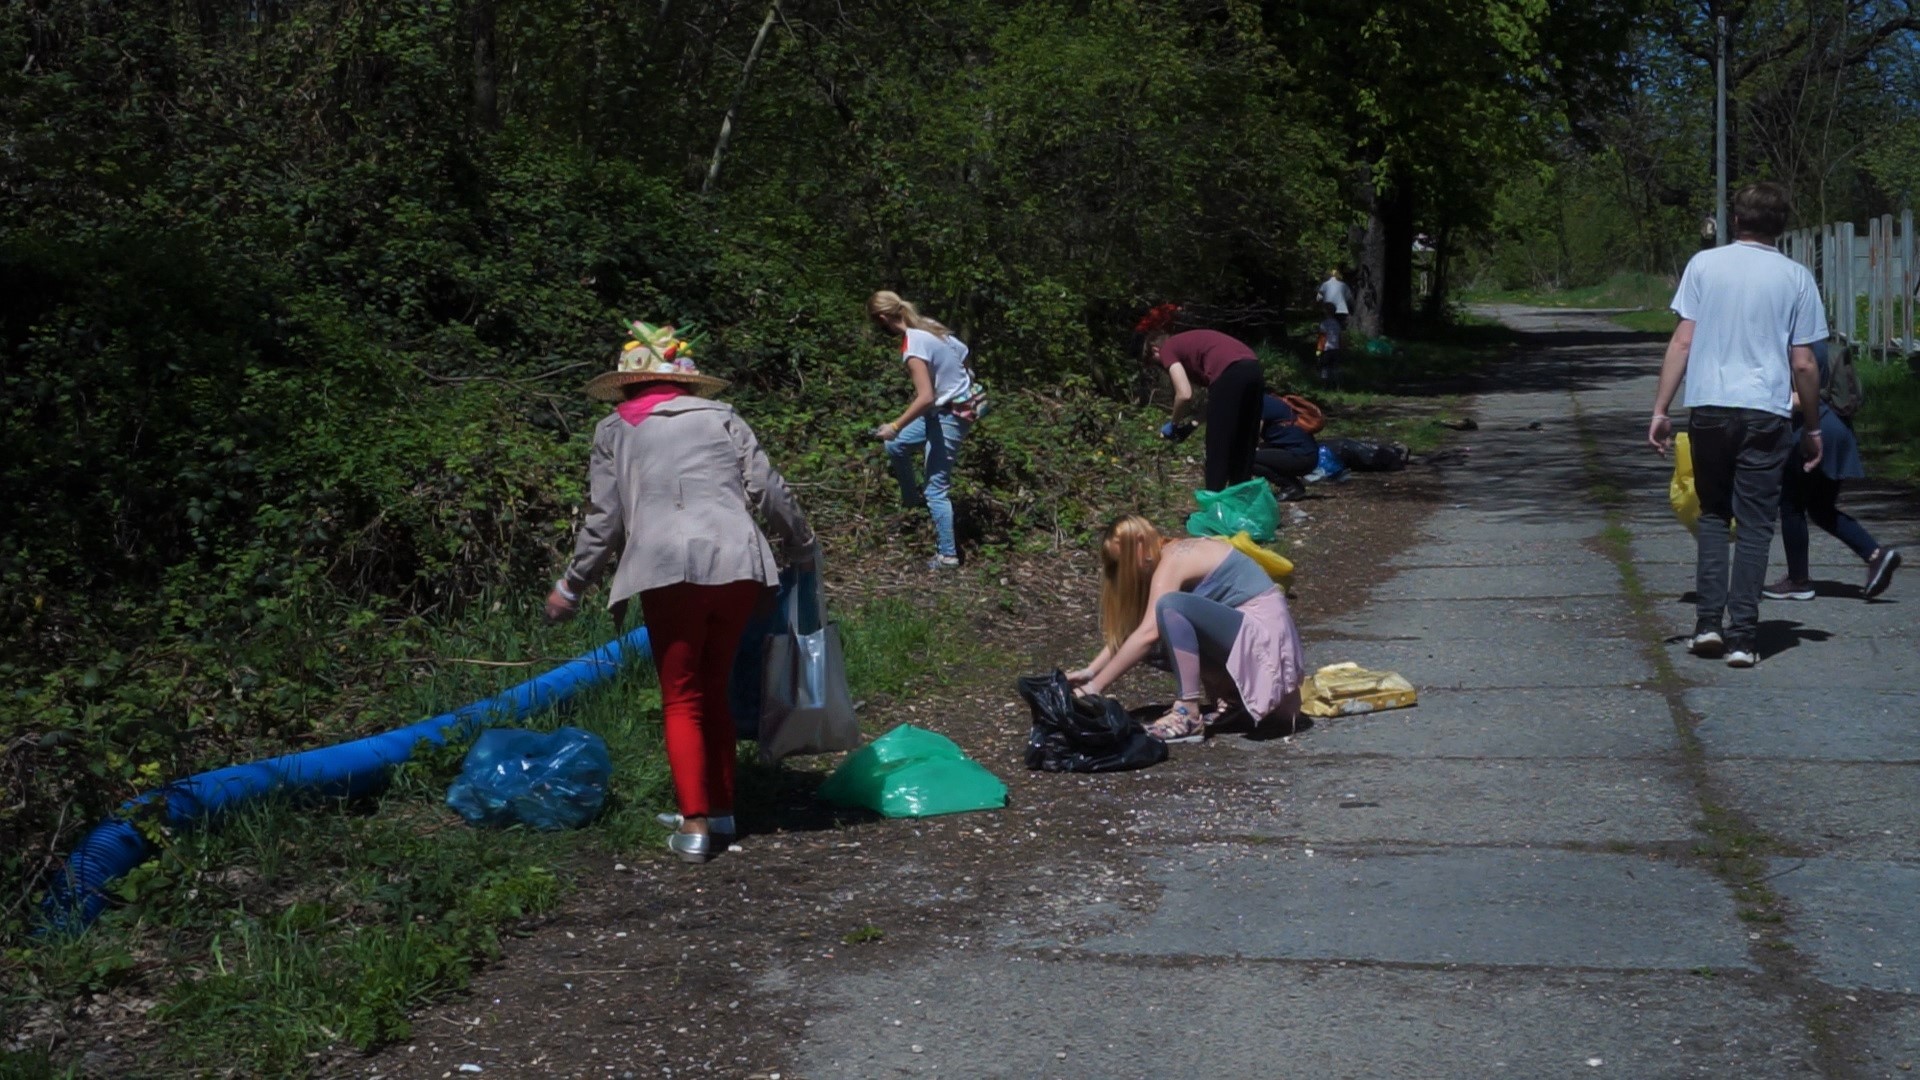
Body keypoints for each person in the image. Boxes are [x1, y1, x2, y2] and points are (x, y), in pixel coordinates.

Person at [547, 322, 815, 863]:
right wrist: (802, 544)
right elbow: (768, 487)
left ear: (628, 384)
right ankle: (720, 811)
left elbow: (606, 521)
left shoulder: (615, 430)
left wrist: (572, 585)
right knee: (713, 687)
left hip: (666, 568)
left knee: (682, 695)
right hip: (737, 562)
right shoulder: (724, 418)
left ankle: (693, 826)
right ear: (687, 384)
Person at [1649, 182, 1826, 668]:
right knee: (1754, 525)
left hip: (1708, 407)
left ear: (1736, 221)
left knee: (1712, 514)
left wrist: (1662, 410)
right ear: (1781, 225)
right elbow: (1805, 363)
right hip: (1766, 413)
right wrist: (1812, 427)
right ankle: (1744, 637)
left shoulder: (1704, 265)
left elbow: (1683, 342)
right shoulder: (1796, 277)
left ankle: (1708, 625)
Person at [1065, 515, 1304, 743]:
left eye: (1125, 562)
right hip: (1256, 653)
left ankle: (1187, 712)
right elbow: (1134, 631)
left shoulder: (1174, 559)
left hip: (1264, 654)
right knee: (1153, 638)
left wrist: (1094, 689)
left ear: (1140, 543)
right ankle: (1237, 700)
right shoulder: (1169, 557)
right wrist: (1091, 671)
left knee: (1171, 608)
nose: (1128, 572)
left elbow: (1148, 633)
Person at [1763, 340, 1901, 601]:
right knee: (1821, 508)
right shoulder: (1819, 343)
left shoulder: (1792, 347)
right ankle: (1876, 555)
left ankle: (1798, 580)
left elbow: (1801, 397)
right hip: (1839, 430)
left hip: (1815, 432)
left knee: (1791, 504)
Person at [866, 290, 985, 571]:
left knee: (936, 489)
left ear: (883, 318)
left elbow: (925, 397)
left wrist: (894, 425)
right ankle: (912, 502)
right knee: (896, 446)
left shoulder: (914, 345)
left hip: (951, 416)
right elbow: (964, 353)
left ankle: (948, 556)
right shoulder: (927, 326)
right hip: (939, 412)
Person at [1137, 309, 1265, 492]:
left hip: (1231, 373)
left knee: (1217, 448)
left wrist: (1173, 424)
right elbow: (1218, 401)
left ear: (1155, 349)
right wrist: (1192, 425)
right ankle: (1240, 504)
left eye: (1155, 362)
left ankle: (1214, 504)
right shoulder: (1193, 346)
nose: (1161, 366)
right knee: (1243, 443)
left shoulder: (1167, 348)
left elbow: (1184, 394)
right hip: (1253, 370)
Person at [1253, 393, 1319, 501]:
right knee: (1250, 455)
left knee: (1246, 459)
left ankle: (1290, 486)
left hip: (1302, 456)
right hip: (1303, 454)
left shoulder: (1260, 403)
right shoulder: (1267, 400)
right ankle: (1293, 485)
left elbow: (1252, 438)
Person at [1315, 269, 1353, 356]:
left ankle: (1322, 349)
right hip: (1341, 310)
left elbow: (1319, 297)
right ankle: (1339, 350)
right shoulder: (1343, 285)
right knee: (1338, 331)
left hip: (1328, 310)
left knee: (1325, 330)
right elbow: (1349, 298)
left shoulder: (1325, 285)